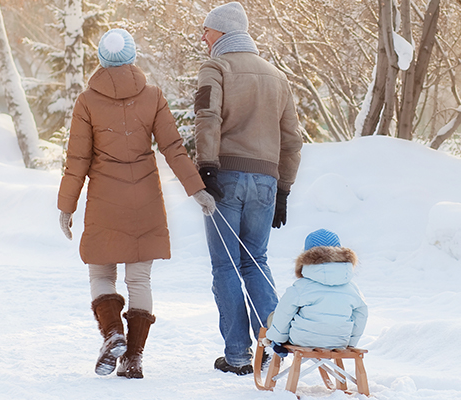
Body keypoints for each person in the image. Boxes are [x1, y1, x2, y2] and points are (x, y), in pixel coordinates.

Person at [57, 28, 217, 379]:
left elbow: (77, 159)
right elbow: (173, 148)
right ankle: (133, 357)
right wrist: (197, 190)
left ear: (101, 58)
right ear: (132, 56)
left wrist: (66, 205)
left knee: (101, 272)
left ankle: (113, 332)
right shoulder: (153, 96)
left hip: (103, 200)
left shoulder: (87, 101)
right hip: (144, 198)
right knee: (139, 278)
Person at [193, 2, 304, 375]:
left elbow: (207, 116)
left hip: (225, 176)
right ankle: (276, 346)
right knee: (255, 260)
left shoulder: (216, 67)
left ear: (222, 32)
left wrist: (206, 166)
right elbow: (292, 140)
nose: (203, 37)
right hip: (266, 181)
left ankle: (239, 355)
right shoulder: (277, 76)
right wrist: (284, 189)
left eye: (206, 30)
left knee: (225, 264)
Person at [265, 229, 368, 353]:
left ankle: (276, 344)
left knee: (276, 316)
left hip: (302, 339)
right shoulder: (352, 287)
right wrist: (351, 343)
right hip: (339, 341)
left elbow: (284, 312)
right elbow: (361, 314)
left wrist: (277, 339)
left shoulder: (301, 286)